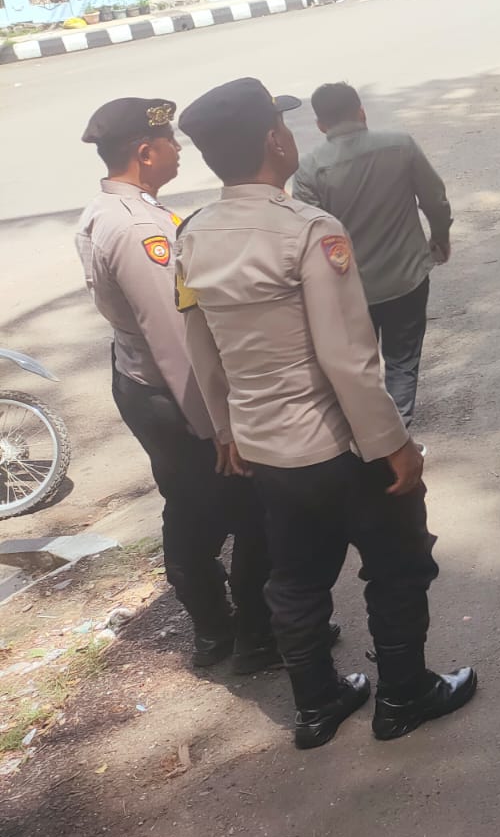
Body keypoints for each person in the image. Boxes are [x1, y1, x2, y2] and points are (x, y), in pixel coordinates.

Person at [175, 78, 475, 750]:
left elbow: (201, 348)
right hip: (340, 444)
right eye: (284, 130)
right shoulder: (308, 232)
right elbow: (346, 359)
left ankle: (317, 706)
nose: (291, 138)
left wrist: (225, 430)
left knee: (297, 577)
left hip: (267, 451)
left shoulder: (192, 235)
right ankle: (404, 695)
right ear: (274, 141)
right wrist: (394, 445)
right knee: (398, 564)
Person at [75, 97, 275, 674]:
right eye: (169, 142)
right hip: (171, 391)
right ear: (144, 152)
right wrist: (219, 429)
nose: (179, 149)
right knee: (249, 510)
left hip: (140, 383)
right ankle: (257, 638)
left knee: (186, 507)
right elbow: (176, 338)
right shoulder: (140, 230)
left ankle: (216, 635)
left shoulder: (105, 211)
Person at [293, 83, 451, 432]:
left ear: (321, 125)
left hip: (348, 291)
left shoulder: (309, 170)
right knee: (402, 361)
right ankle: (397, 437)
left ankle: (364, 440)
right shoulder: (400, 146)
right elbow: (435, 200)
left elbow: (307, 238)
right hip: (406, 277)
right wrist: (440, 238)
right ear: (361, 112)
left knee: (356, 365)